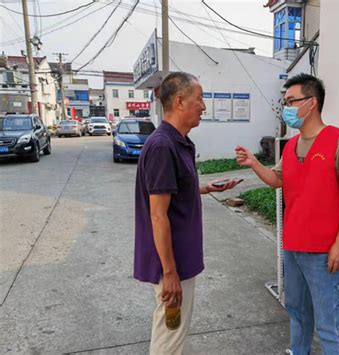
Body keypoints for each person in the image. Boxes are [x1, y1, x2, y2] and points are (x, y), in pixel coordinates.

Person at [236, 73, 339, 355]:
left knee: (329, 322)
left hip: (325, 253)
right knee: (298, 312)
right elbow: (276, 180)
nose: (287, 107)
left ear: (311, 103)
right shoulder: (291, 146)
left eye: (292, 101)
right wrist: (254, 162)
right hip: (293, 247)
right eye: (285, 102)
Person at [134, 72, 240, 355]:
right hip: (172, 263)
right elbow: (158, 215)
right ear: (180, 101)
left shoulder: (179, 142)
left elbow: (174, 191)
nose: (204, 106)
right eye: (199, 99)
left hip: (179, 260)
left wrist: (205, 187)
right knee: (170, 336)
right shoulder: (162, 146)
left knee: (174, 333)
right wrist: (169, 272)